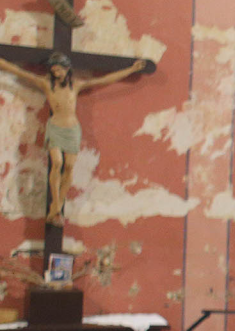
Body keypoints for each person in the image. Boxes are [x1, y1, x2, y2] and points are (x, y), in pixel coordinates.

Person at [0, 52, 146, 225]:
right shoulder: (46, 84)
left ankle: (58, 206)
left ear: (67, 69)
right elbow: (20, 72)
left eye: (59, 70)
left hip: (72, 130)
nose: (56, 73)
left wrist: (131, 69)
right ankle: (55, 203)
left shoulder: (76, 85)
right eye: (54, 70)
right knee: (57, 163)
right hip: (55, 128)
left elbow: (104, 80)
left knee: (69, 166)